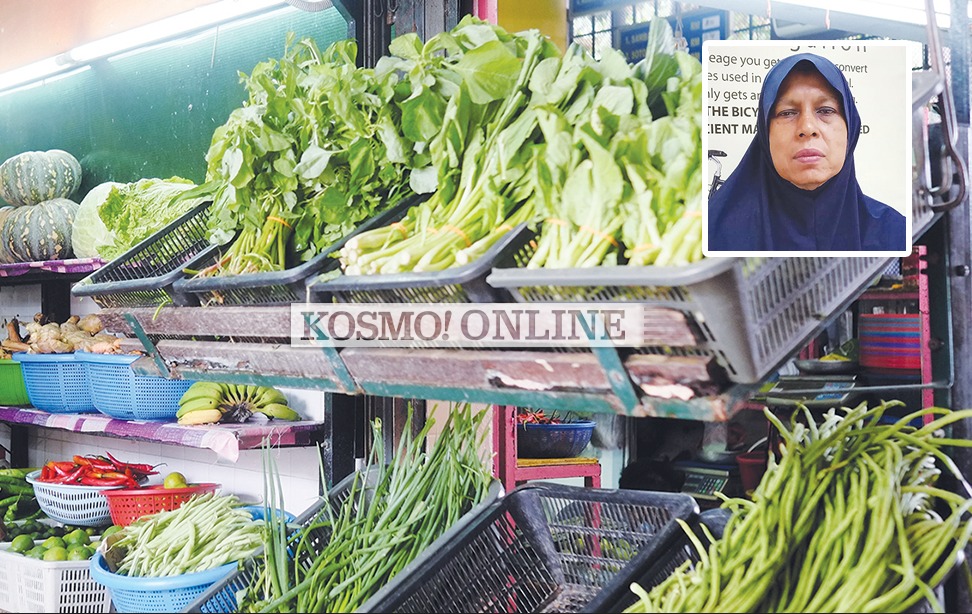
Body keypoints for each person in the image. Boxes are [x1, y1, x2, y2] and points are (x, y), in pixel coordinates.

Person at [707, 52, 906, 252]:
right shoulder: (711, 235)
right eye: (787, 113)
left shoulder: (897, 235)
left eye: (826, 110)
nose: (807, 127)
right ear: (766, 133)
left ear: (850, 127)